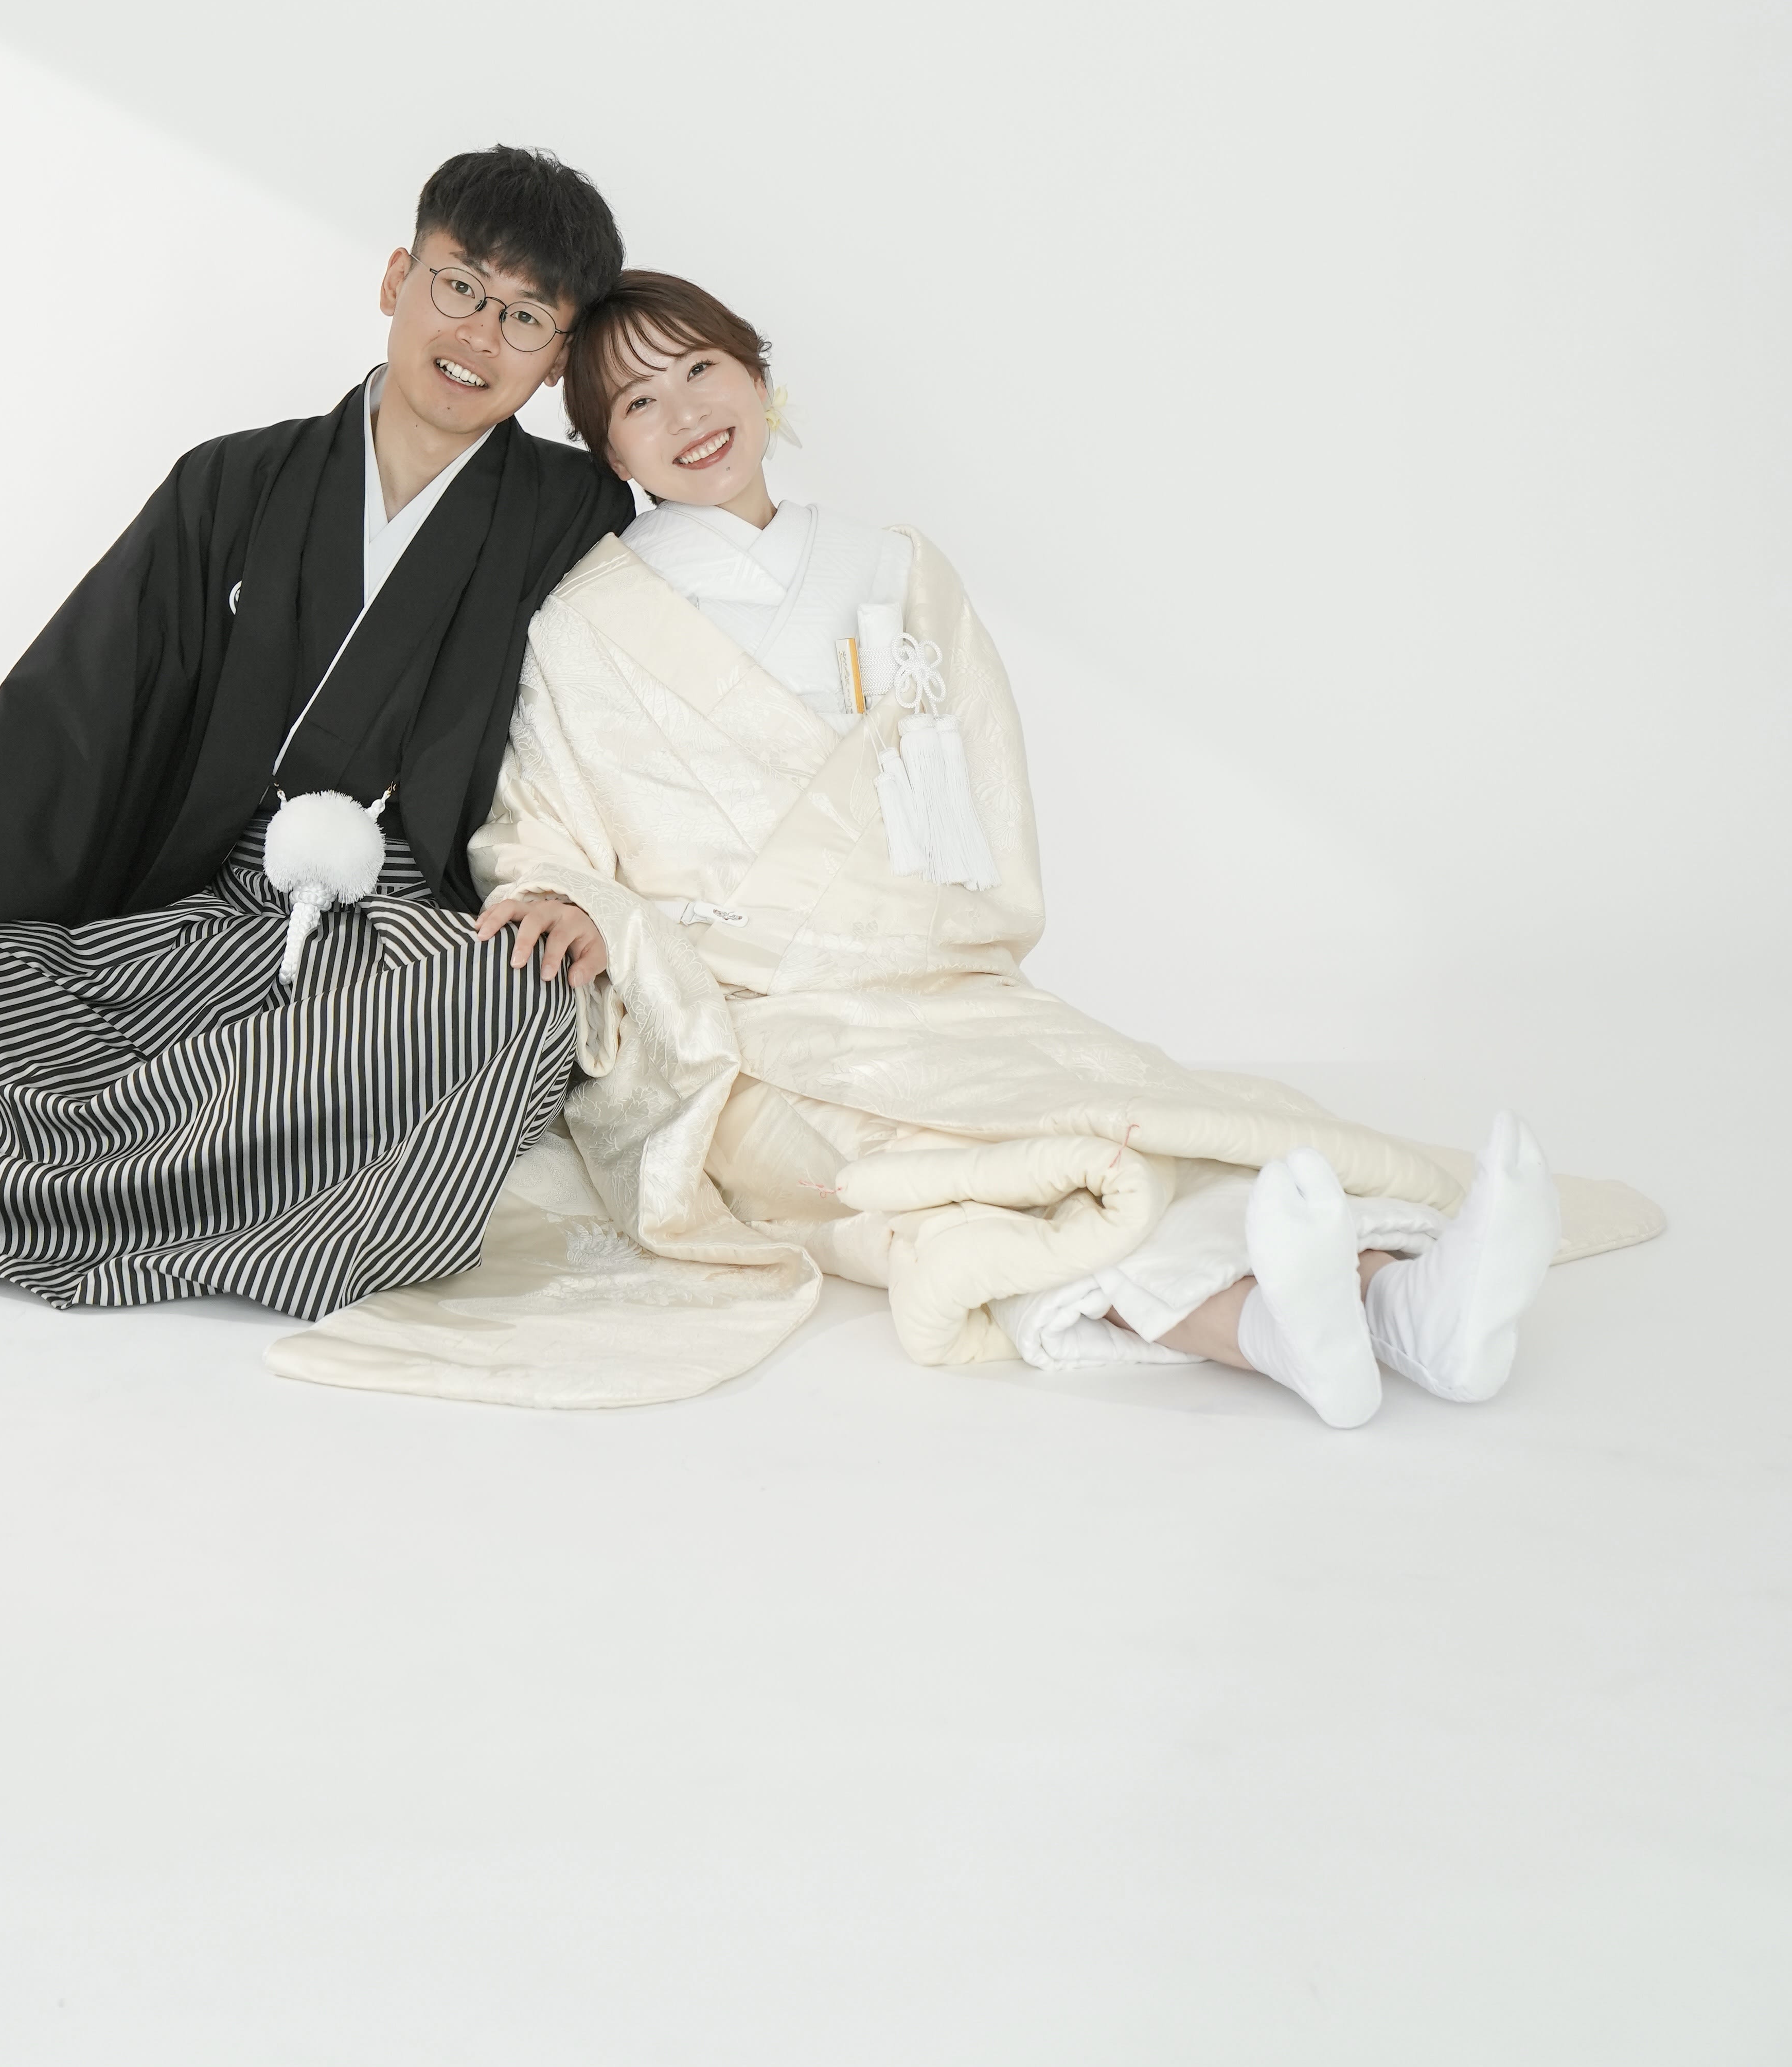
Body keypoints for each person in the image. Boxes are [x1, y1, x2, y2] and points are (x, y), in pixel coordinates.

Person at [274, 269, 1661, 1415]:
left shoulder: (896, 569)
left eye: (702, 368)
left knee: (1112, 1104)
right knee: (958, 1183)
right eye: (638, 401)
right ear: (609, 451)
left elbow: (981, 791)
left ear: (757, 376)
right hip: (746, 1023)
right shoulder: (588, 619)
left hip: (937, 982)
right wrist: (568, 899)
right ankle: (1305, 1321)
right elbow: (543, 827)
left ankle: (1388, 1307)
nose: (686, 413)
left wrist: (921, 940)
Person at [0, 147, 635, 1323]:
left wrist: (575, 891)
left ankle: (84, 1184)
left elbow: (612, 734)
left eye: (524, 317)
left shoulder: (576, 512)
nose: (478, 334)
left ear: (557, 357)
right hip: (197, 914)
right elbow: (80, 698)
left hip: (397, 945)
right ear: (395, 279)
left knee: (510, 1000)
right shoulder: (233, 483)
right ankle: (253, 1189)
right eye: (458, 286)